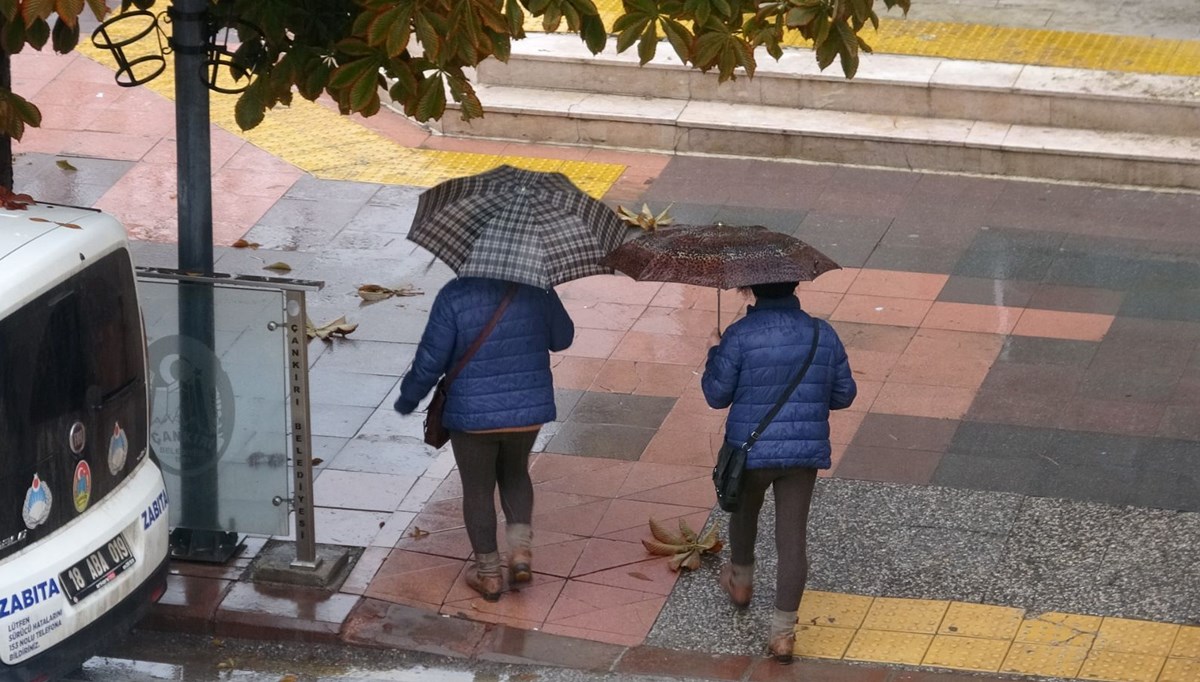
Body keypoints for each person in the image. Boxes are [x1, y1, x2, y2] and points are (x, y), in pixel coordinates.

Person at [701, 280, 856, 664]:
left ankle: (741, 582)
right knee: (792, 539)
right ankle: (783, 634)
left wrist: (714, 353)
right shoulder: (823, 333)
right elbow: (843, 395)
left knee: (743, 515)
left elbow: (716, 395)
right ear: (795, 285)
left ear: (751, 288)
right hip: (802, 453)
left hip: (749, 452)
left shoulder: (738, 336)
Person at [394, 276, 574, 601]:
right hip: (526, 410)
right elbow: (562, 339)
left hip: (471, 414)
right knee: (516, 473)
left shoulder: (455, 294)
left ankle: (489, 575)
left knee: (477, 488)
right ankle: (519, 553)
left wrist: (409, 398)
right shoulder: (538, 288)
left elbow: (431, 359)